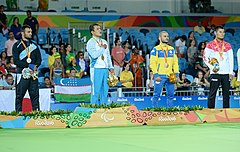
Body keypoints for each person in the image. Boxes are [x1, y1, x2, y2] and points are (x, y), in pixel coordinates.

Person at [12, 25, 42, 112]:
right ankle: (18, 114)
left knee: (35, 96)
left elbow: (39, 59)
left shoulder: (34, 45)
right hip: (21, 73)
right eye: (28, 32)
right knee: (19, 96)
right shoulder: (17, 45)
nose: (30, 33)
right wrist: (29, 66)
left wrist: (34, 66)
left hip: (33, 73)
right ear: (22, 33)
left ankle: (36, 114)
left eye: (31, 32)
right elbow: (16, 61)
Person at [203, 25, 234, 109]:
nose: (222, 34)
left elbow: (231, 60)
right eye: (220, 32)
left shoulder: (228, 45)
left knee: (226, 94)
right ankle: (210, 111)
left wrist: (231, 72)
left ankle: (226, 112)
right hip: (215, 73)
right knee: (212, 93)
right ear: (215, 33)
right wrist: (211, 67)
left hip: (226, 73)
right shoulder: (210, 45)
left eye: (223, 32)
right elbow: (205, 58)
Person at [150, 31, 179, 108]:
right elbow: (152, 63)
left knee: (171, 95)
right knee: (156, 94)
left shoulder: (171, 49)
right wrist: (156, 74)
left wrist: (176, 74)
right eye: (164, 36)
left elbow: (175, 63)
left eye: (167, 36)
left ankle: (170, 111)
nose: (167, 38)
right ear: (159, 38)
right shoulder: (155, 49)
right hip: (160, 75)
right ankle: (154, 111)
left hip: (170, 75)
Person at [86, 23, 114, 104]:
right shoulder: (90, 43)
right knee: (96, 90)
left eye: (100, 28)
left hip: (105, 69)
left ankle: (104, 108)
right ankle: (93, 108)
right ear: (92, 32)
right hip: (96, 69)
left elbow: (108, 56)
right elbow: (94, 55)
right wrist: (102, 48)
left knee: (105, 91)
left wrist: (111, 67)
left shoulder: (104, 41)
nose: (100, 30)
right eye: (97, 29)